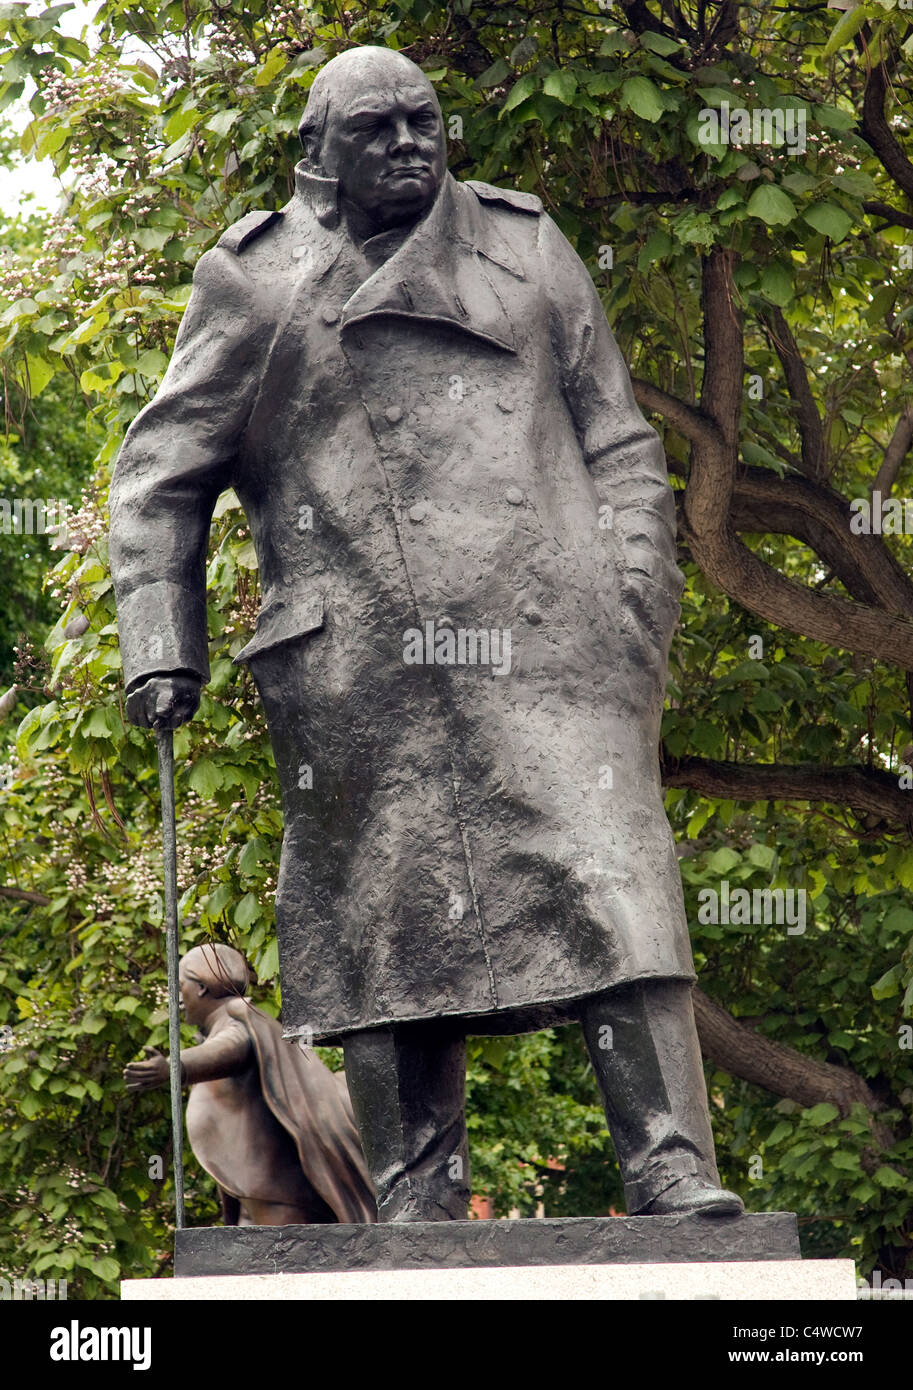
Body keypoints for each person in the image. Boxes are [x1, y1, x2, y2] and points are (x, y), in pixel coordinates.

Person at [110, 46, 743, 1222]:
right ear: (319, 153)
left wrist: (632, 603)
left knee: (614, 883)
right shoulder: (256, 283)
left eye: (424, 122)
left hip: (556, 646)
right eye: (378, 130)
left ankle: (667, 1164)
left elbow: (616, 442)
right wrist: (163, 641)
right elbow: (156, 479)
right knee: (387, 921)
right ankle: (413, 1196)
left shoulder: (527, 246)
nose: (409, 144)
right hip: (359, 671)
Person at [123, 943, 376, 1225]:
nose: (177, 996)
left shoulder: (239, 1018)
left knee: (279, 1262)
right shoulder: (224, 1024)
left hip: (279, 1191)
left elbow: (232, 1048)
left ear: (202, 988)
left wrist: (175, 1067)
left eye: (181, 984)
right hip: (254, 1189)